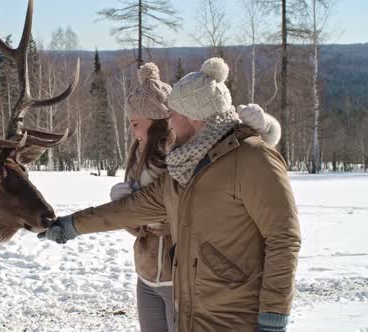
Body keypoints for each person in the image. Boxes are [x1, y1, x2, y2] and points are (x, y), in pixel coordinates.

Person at [40, 57, 300, 332]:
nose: (170, 123)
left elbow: (284, 238)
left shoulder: (252, 158)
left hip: (237, 318)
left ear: (192, 116)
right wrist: (71, 225)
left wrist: (273, 316)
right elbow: (131, 208)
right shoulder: (183, 167)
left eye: (173, 114)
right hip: (192, 314)